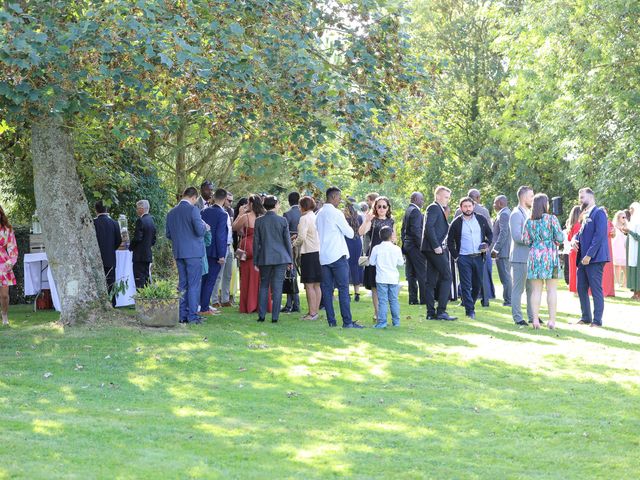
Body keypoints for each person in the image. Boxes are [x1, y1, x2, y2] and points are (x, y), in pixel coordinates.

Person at [316, 187, 363, 328]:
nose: (340, 200)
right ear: (334, 197)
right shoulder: (336, 213)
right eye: (339, 197)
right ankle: (347, 322)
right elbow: (349, 233)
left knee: (327, 289)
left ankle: (331, 321)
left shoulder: (319, 213)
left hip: (324, 255)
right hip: (337, 255)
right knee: (343, 289)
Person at [165, 187, 207, 324]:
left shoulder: (171, 213)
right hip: (193, 252)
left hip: (179, 252)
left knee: (182, 284)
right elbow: (200, 231)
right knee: (194, 284)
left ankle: (181, 315)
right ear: (194, 197)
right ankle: (193, 316)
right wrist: (206, 227)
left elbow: (168, 234)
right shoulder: (193, 210)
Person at [522, 194, 564, 329]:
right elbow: (560, 238)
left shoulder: (529, 221)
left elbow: (526, 240)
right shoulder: (552, 219)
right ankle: (551, 321)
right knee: (552, 290)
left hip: (535, 255)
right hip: (550, 255)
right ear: (545, 205)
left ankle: (535, 320)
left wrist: (536, 243)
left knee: (536, 290)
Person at [447, 197, 493, 319]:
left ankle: (470, 303)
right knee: (466, 285)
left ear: (473, 206)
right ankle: (470, 311)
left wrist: (487, 244)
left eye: (469, 206)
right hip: (463, 258)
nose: (467, 209)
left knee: (477, 285)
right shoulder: (456, 222)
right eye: (465, 206)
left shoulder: (481, 219)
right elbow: (449, 241)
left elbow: (490, 233)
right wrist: (456, 257)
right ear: (461, 208)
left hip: (478, 257)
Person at [572, 188, 610, 327]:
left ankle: (597, 321)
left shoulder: (599, 213)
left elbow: (599, 236)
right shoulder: (585, 214)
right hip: (583, 258)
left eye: (582, 197)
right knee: (581, 287)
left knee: (595, 289)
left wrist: (589, 255)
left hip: (595, 258)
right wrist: (574, 240)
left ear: (591, 196)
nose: (580, 200)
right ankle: (586, 317)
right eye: (579, 197)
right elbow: (581, 233)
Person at [253, 195, 293, 323]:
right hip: (281, 258)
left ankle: (262, 316)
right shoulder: (282, 221)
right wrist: (290, 259)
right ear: (275, 205)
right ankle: (275, 317)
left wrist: (255, 260)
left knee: (264, 286)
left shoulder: (259, 221)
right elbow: (287, 242)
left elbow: (256, 243)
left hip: (265, 258)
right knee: (277, 287)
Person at [421, 186, 457, 321]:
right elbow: (428, 227)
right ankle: (441, 311)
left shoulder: (437, 209)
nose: (448, 200)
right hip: (433, 249)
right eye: (446, 197)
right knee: (447, 276)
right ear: (438, 196)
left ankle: (430, 313)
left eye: (448, 197)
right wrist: (436, 246)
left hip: (430, 249)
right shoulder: (434, 207)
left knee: (430, 281)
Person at [360, 196, 395, 322]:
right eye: (379, 206)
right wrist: (366, 220)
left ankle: (385, 312)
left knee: (385, 285)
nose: (381, 208)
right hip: (374, 255)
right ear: (375, 207)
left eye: (384, 206)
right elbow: (360, 232)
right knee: (375, 286)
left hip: (386, 257)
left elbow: (394, 239)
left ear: (388, 208)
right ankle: (377, 312)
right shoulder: (372, 220)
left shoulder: (391, 221)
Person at [233, 195, 270, 314]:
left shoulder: (246, 217)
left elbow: (234, 227)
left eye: (248, 203)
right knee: (261, 277)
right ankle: (262, 304)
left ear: (251, 204)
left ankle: (249, 304)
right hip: (261, 248)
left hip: (248, 248)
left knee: (248, 276)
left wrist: (240, 213)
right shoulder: (264, 217)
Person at [200, 188, 229, 316]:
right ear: (224, 199)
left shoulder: (204, 211)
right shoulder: (222, 214)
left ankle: (202, 305)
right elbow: (220, 235)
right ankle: (205, 307)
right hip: (215, 251)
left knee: (203, 279)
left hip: (203, 249)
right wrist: (221, 254)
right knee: (211, 280)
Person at [370, 226, 404, 328]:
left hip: (381, 278)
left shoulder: (376, 248)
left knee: (382, 300)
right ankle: (396, 322)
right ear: (391, 236)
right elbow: (401, 263)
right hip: (393, 278)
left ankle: (382, 322)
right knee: (394, 300)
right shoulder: (396, 248)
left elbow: (371, 262)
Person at [293, 196, 322, 320]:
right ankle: (315, 311)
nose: (299, 209)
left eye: (300, 206)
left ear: (303, 206)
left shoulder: (304, 218)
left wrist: (293, 244)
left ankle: (312, 313)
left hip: (308, 253)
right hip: (318, 253)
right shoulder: (316, 217)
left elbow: (302, 237)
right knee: (317, 285)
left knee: (309, 285)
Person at [510, 186, 534, 326]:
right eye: (531, 196)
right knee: (518, 289)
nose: (533, 199)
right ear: (524, 197)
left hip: (530, 257)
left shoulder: (528, 212)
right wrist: (534, 240)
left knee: (532, 289)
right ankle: (518, 317)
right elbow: (517, 236)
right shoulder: (516, 214)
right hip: (520, 257)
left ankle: (532, 316)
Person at [93, 201, 122, 307]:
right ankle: (112, 303)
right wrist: (111, 249)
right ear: (107, 210)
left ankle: (99, 303)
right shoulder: (114, 223)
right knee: (111, 281)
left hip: (96, 257)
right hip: (110, 257)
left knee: (97, 281)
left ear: (96, 210)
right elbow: (119, 240)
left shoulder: (93, 223)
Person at [401, 192, 427, 305]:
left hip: (408, 246)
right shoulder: (416, 211)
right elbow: (417, 231)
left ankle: (412, 299)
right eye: (421, 199)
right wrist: (422, 246)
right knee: (422, 273)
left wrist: (404, 242)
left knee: (411, 274)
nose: (423, 202)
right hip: (415, 247)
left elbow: (403, 230)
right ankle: (424, 299)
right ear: (416, 199)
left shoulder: (408, 210)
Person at [211, 191, 235, 308]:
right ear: (224, 199)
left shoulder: (230, 212)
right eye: (229, 200)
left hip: (230, 245)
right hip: (222, 246)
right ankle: (215, 299)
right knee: (218, 274)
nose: (230, 203)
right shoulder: (218, 212)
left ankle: (225, 298)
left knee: (228, 274)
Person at [129, 199, 157, 289]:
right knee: (146, 279)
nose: (136, 210)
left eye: (137, 208)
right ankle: (146, 300)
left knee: (139, 279)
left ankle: (140, 299)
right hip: (147, 254)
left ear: (141, 209)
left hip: (139, 256)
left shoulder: (140, 221)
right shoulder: (151, 220)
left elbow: (137, 238)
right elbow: (153, 240)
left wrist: (130, 247)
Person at [282, 191, 301, 313]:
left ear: (289, 201)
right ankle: (293, 303)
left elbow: (284, 233)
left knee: (290, 275)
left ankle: (293, 304)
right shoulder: (302, 213)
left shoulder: (287, 214)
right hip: (305, 248)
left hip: (292, 247)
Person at [491, 195, 512, 306]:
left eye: (495, 203)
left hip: (503, 250)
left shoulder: (504, 214)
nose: (493, 205)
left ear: (500, 203)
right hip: (504, 250)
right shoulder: (506, 213)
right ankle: (509, 299)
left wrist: (496, 249)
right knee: (506, 276)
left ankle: (508, 300)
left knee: (505, 277)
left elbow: (504, 233)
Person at [0, 205, 18, 326]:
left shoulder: (7, 230)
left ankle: (4, 314)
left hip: (3, 264)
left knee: (4, 295)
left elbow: (12, 248)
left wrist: (10, 262)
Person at [344, 200, 364, 302]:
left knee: (346, 266)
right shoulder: (359, 217)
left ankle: (347, 292)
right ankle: (357, 293)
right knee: (356, 267)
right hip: (357, 242)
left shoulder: (344, 218)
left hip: (347, 242)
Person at [622, 202, 640, 300]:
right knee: (632, 268)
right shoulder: (632, 221)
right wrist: (626, 232)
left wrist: (629, 232)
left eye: (631, 209)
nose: (630, 211)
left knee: (638, 270)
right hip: (632, 250)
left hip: (638, 251)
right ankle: (635, 292)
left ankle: (638, 292)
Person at [565, 205, 582, 292]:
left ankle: (573, 288)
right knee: (577, 271)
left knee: (572, 271)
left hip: (571, 251)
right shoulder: (578, 225)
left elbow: (569, 238)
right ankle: (576, 288)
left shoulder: (572, 225)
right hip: (577, 250)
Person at [601, 208, 616, 297]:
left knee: (608, 268)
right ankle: (602, 289)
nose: (605, 213)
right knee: (602, 269)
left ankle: (609, 290)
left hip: (608, 248)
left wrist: (614, 232)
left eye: (606, 212)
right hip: (600, 247)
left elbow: (613, 235)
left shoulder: (609, 222)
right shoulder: (597, 222)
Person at [612, 210, 628, 288]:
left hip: (624, 249)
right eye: (623, 217)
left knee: (625, 266)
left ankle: (625, 283)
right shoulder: (614, 227)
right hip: (616, 248)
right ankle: (617, 283)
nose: (624, 218)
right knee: (616, 266)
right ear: (618, 218)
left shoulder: (627, 227)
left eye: (625, 217)